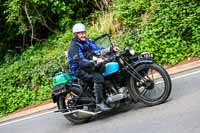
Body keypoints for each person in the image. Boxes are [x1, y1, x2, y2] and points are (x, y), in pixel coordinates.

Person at [67, 23, 119, 111]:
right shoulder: (74, 47)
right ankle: (99, 103)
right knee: (98, 77)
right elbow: (81, 62)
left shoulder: (86, 41)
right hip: (79, 69)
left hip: (87, 66)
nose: (83, 35)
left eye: (84, 32)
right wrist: (94, 61)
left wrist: (110, 50)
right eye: (80, 33)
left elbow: (97, 49)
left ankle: (108, 94)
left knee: (105, 68)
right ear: (75, 34)